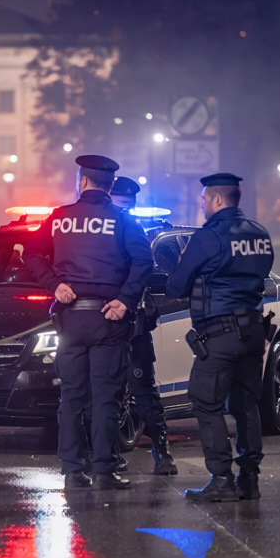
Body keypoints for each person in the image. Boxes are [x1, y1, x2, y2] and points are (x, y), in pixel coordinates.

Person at [23, 155, 154, 490]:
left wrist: (54, 284)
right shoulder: (122, 220)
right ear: (111, 186)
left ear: (81, 181)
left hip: (70, 319)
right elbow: (143, 261)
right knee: (105, 397)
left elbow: (30, 253)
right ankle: (104, 470)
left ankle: (71, 470)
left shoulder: (59, 218)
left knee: (71, 397)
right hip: (107, 319)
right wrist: (125, 300)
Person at [167, 172, 273, 502]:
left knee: (205, 401)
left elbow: (176, 286)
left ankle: (221, 478)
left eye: (203, 200)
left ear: (216, 199)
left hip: (220, 333)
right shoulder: (260, 233)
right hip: (254, 331)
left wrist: (178, 263)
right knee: (245, 404)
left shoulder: (208, 236)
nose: (202, 205)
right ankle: (249, 479)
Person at [109, 176, 177, 475]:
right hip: (105, 325)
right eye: (119, 203)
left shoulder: (140, 233)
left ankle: (161, 452)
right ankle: (108, 453)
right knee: (106, 393)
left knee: (144, 390)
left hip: (133, 325)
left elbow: (155, 272)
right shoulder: (100, 235)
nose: (124, 209)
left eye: (127, 204)